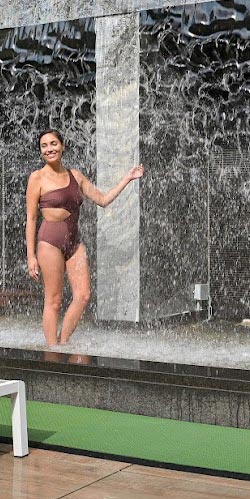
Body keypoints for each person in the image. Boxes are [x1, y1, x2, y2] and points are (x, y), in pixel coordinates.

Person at [25, 129, 144, 346]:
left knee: (83, 296)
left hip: (74, 243)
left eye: (53, 144)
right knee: (54, 300)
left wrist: (128, 178)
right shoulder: (37, 178)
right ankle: (52, 354)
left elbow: (103, 199)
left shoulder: (75, 176)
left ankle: (61, 343)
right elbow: (31, 219)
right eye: (44, 146)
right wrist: (30, 256)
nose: (49, 149)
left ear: (62, 146)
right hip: (49, 242)